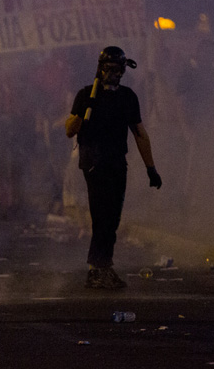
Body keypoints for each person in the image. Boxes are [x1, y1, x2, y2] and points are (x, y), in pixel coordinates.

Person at [65, 46, 162, 290]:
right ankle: (97, 268)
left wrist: (151, 168)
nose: (113, 74)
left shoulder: (127, 97)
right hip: (93, 163)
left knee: (113, 218)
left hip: (117, 162)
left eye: (118, 69)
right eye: (109, 69)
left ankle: (102, 267)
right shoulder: (86, 94)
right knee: (102, 216)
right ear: (100, 69)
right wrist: (85, 108)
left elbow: (140, 134)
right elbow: (69, 130)